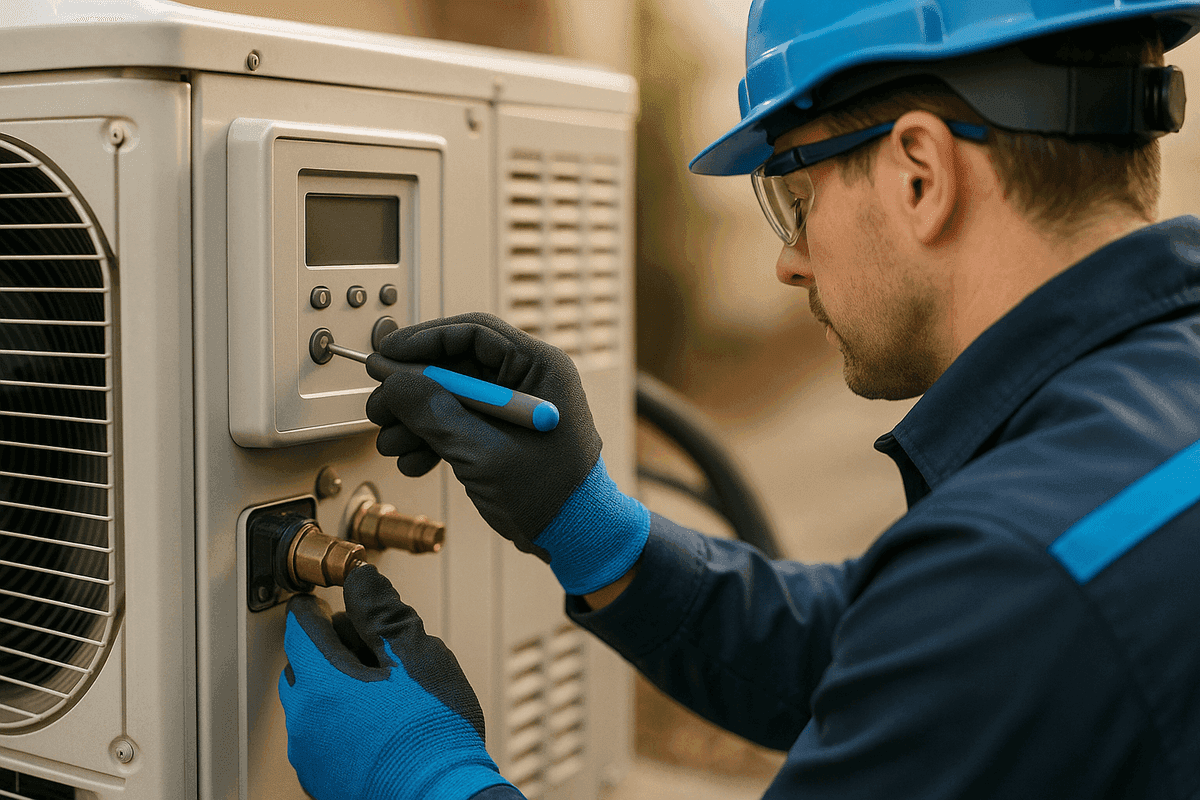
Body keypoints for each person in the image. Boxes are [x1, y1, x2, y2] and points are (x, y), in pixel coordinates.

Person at [276, 1, 1200, 798]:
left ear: (922, 174)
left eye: (794, 195)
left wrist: (421, 775)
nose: (789, 259)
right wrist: (589, 524)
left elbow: (962, 629)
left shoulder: (1027, 567)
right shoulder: (1143, 416)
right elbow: (879, 650)